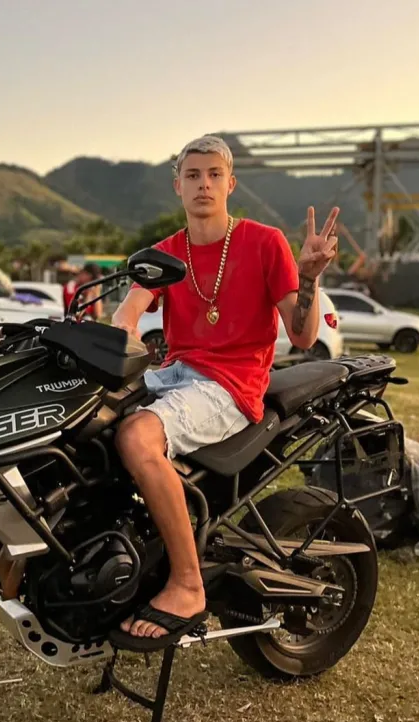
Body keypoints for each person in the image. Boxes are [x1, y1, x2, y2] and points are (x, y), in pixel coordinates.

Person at [109, 134, 339, 651]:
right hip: (175, 372)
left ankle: (188, 585)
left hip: (231, 384)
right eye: (193, 175)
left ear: (231, 183)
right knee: (88, 420)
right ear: (177, 185)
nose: (204, 184)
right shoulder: (167, 252)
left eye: (214, 174)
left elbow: (302, 336)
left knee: (138, 438)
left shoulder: (264, 242)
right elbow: (129, 309)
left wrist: (308, 278)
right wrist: (118, 331)